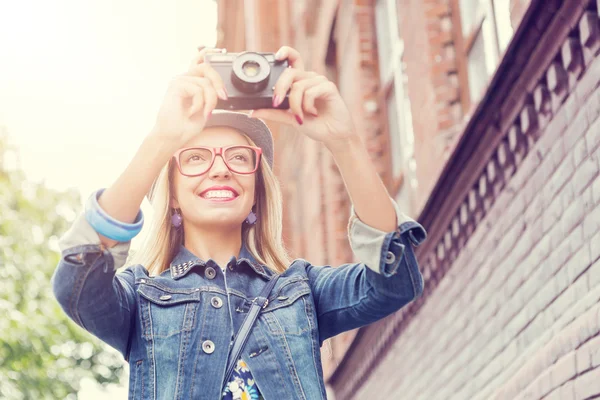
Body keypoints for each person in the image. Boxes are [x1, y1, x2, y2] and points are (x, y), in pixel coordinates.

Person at [51, 45, 427, 400]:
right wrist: (162, 139)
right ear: (174, 197)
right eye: (196, 158)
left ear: (256, 192)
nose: (220, 169)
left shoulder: (300, 290)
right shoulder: (141, 296)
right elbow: (77, 283)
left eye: (239, 157)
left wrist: (344, 141)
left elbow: (393, 283)